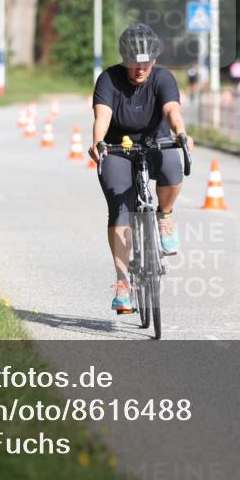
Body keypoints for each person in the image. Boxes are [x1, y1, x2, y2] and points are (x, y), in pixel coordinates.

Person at [89, 23, 193, 314]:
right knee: (120, 208)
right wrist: (97, 142)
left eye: (146, 62)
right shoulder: (109, 79)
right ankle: (123, 283)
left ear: (154, 60)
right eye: (134, 63)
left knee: (174, 165)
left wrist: (182, 134)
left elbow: (172, 111)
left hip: (155, 140)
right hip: (117, 147)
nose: (140, 69)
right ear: (124, 60)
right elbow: (103, 115)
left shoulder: (162, 78)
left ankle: (165, 216)